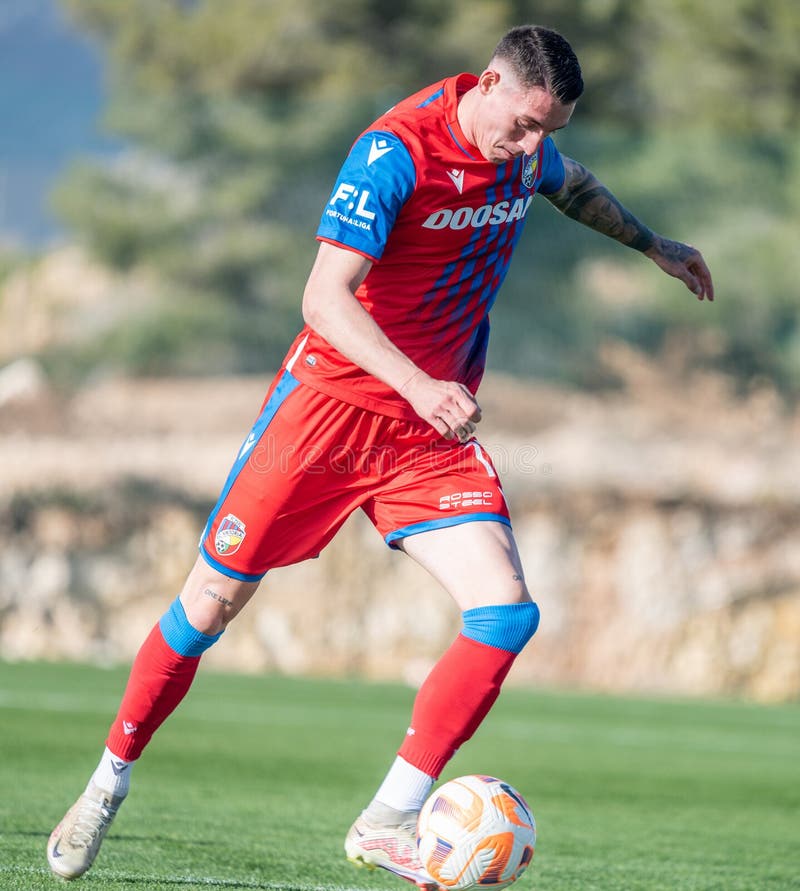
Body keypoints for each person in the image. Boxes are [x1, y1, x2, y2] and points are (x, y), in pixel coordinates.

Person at [47, 23, 713, 887]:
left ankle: (388, 817)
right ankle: (105, 783)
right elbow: (324, 298)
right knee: (208, 603)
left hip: (425, 437)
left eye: (550, 130)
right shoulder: (395, 151)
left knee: (506, 612)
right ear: (487, 84)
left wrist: (653, 244)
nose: (534, 146)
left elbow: (573, 186)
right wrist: (417, 382)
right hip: (329, 412)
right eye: (524, 125)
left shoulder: (525, 152)